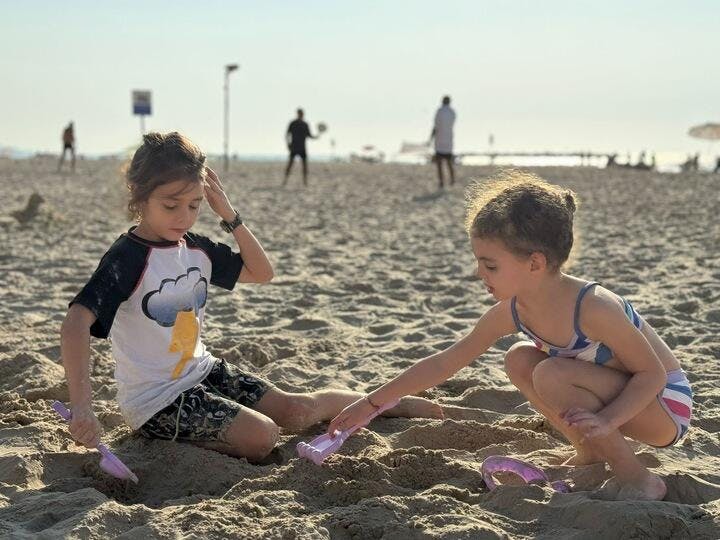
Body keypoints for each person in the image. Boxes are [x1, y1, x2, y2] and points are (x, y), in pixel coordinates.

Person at [61, 132, 441, 461]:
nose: (184, 217)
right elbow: (76, 321)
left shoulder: (196, 247)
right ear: (140, 196)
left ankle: (388, 403)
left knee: (295, 410)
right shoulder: (127, 258)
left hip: (203, 371)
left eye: (194, 205)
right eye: (171, 205)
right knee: (263, 436)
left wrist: (229, 215)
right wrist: (82, 406)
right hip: (155, 401)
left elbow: (262, 273)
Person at [329, 170, 692, 501]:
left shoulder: (592, 307)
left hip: (663, 406)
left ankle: (638, 479)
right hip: (617, 396)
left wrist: (608, 420)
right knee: (519, 359)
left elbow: (652, 374)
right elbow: (445, 362)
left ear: (535, 263)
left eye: (490, 265)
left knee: (551, 373)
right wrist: (371, 403)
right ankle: (590, 453)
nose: (479, 274)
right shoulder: (514, 310)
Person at [282, 109, 317, 187]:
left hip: (302, 148)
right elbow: (287, 134)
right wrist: (288, 144)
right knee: (290, 165)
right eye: (300, 113)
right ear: (297, 114)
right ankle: (285, 181)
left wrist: (316, 137)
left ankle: (305, 182)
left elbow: (309, 135)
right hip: (294, 147)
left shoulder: (305, 124)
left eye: (302, 114)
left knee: (304, 166)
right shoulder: (293, 123)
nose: (301, 115)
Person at [429, 96, 456, 189]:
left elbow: (436, 126)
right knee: (449, 162)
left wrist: (431, 138)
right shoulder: (452, 112)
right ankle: (452, 180)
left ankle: (441, 182)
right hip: (449, 140)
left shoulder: (439, 111)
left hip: (439, 140)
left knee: (439, 163)